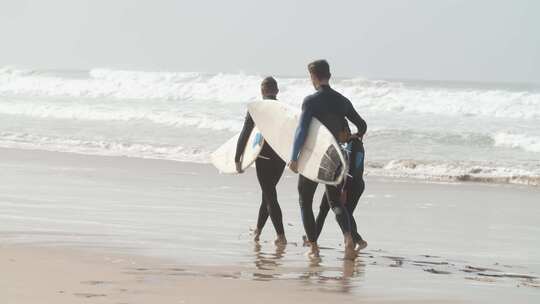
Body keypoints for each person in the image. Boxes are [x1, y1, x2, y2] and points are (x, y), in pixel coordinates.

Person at [288, 60, 367, 259]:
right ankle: (348, 238)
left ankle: (313, 248)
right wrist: (351, 138)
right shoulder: (342, 101)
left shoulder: (311, 101)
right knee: (335, 202)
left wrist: (294, 157)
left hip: (314, 156)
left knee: (305, 201)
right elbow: (362, 125)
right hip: (335, 157)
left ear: (313, 77)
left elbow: (302, 129)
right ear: (329, 75)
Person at [235, 77, 287, 245]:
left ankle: (281, 236)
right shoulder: (284, 109)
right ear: (277, 91)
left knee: (270, 196)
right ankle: (258, 230)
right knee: (268, 195)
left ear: (262, 92)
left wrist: (238, 158)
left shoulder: (256, 108)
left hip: (263, 156)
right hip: (280, 157)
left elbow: (245, 133)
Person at [314, 121, 368, 250]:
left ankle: (358, 240)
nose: (338, 138)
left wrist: (344, 189)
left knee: (345, 214)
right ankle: (313, 238)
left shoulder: (354, 145)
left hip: (351, 185)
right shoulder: (350, 144)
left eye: (338, 134)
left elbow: (352, 170)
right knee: (324, 209)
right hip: (341, 183)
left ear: (345, 131)